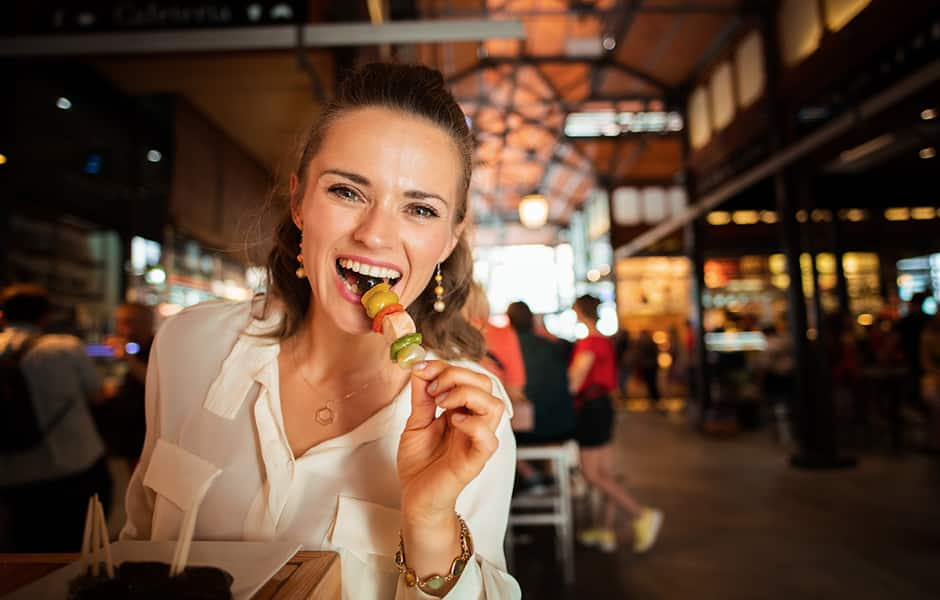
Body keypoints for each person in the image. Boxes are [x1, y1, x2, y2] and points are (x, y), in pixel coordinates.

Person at [121, 63, 520, 599]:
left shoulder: (471, 414)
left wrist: (429, 518)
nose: (375, 234)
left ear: (449, 240)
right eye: (348, 192)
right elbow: (135, 551)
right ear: (299, 202)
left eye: (420, 209)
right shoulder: (189, 346)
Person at [0, 284, 110, 552]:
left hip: (11, 472)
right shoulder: (63, 348)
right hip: (75, 465)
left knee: (23, 553)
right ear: (45, 316)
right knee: (79, 549)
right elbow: (98, 395)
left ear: (2, 315)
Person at [568, 295, 662, 554]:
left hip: (590, 410)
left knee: (591, 474)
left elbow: (575, 382)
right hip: (604, 407)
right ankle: (605, 529)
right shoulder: (603, 341)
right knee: (607, 475)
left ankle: (640, 514)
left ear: (580, 311)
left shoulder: (589, 342)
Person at [506, 301, 575, 492]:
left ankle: (530, 476)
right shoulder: (552, 346)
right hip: (562, 425)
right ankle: (549, 476)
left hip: (528, 429)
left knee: (499, 437)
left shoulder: (508, 348)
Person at [95, 303, 155, 468]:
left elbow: (153, 382)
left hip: (144, 434)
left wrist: (127, 358)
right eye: (119, 322)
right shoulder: (137, 348)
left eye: (127, 322)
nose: (120, 328)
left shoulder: (157, 348)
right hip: (131, 433)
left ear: (146, 323)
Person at [635, 330, 661, 408]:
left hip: (650, 366)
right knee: (650, 383)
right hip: (649, 366)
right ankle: (654, 399)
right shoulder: (647, 343)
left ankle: (655, 399)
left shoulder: (648, 344)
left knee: (651, 383)